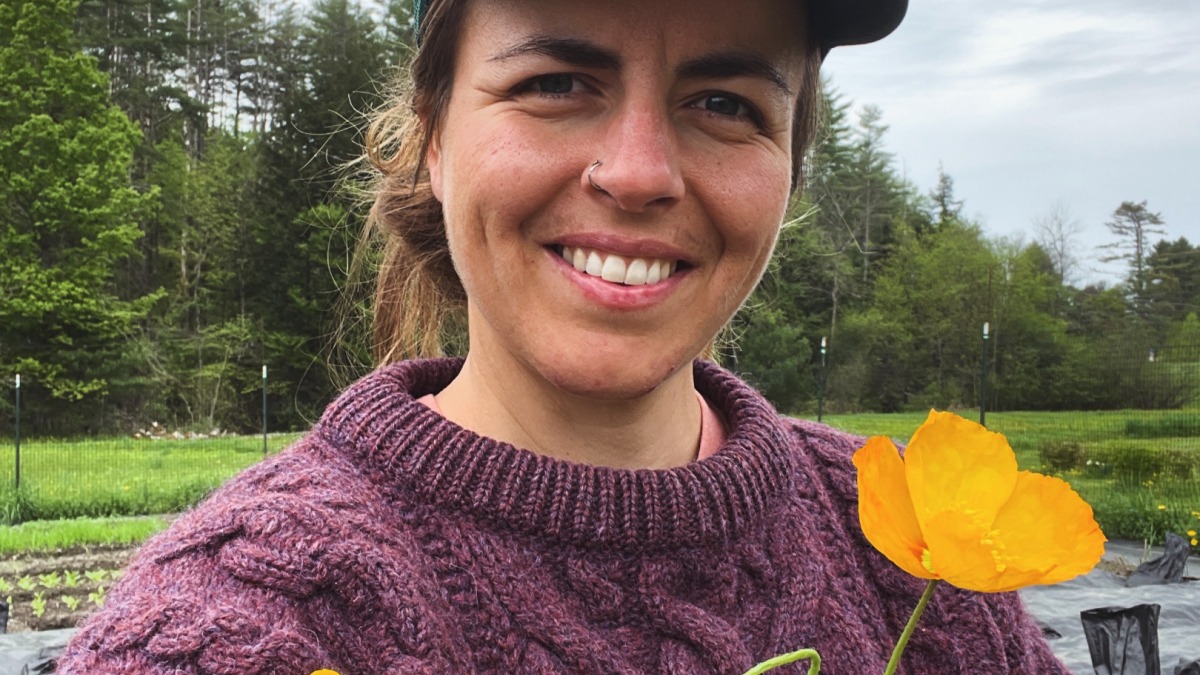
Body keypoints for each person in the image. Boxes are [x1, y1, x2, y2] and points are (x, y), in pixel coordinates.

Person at [58, 0, 1070, 672]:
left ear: (790, 167)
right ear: (434, 137)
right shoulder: (240, 622)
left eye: (724, 103)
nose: (638, 172)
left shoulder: (923, 564)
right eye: (555, 83)